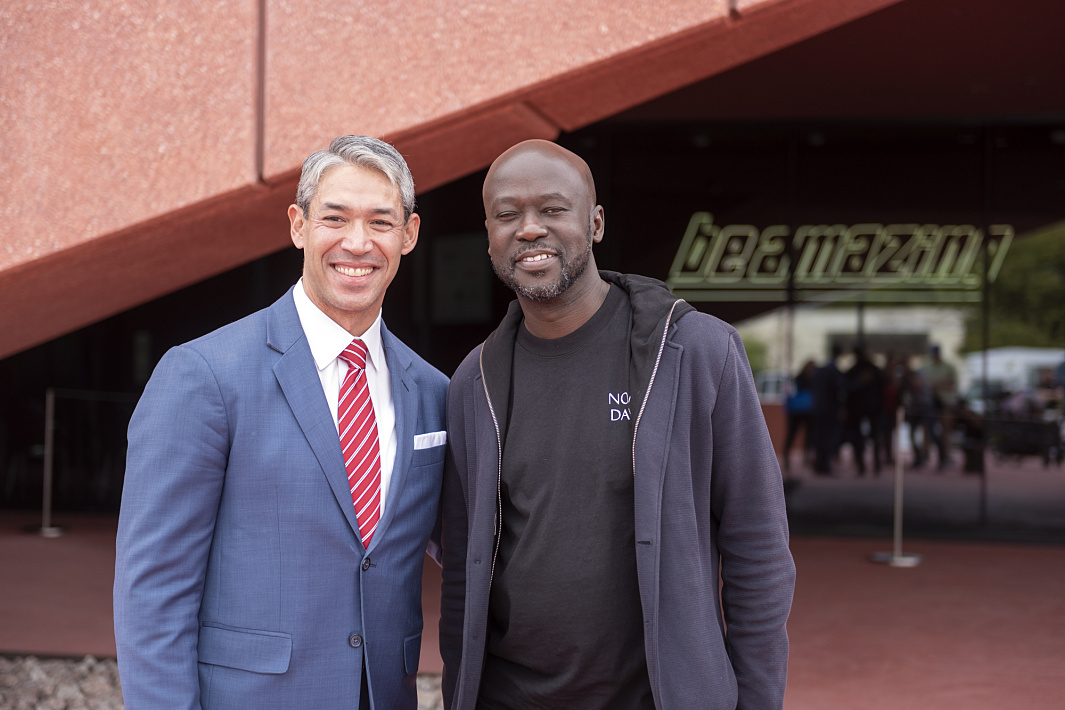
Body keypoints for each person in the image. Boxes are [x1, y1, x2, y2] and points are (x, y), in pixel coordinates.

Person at [439, 140, 795, 710]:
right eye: (508, 214)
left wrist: (756, 699)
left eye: (553, 209)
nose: (530, 229)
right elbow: (463, 568)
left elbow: (758, 548)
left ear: (595, 222)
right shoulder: (471, 382)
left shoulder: (696, 352)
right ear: (489, 235)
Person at [113, 136, 449, 709]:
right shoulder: (203, 377)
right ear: (298, 225)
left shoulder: (435, 392)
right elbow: (153, 592)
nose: (357, 243)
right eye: (334, 218)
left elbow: (472, 549)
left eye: (381, 222)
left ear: (409, 235)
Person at [844, 346, 884, 476]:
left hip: (867, 408)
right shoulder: (863, 371)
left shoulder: (862, 370)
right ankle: (868, 465)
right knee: (865, 437)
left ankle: (868, 465)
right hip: (863, 409)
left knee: (866, 437)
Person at [809, 344, 846, 475]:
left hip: (818, 408)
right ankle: (823, 465)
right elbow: (838, 390)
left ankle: (820, 464)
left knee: (820, 437)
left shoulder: (820, 370)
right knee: (828, 438)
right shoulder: (833, 371)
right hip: (829, 410)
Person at [924, 344, 958, 470]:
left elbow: (953, 384)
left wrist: (938, 385)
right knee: (927, 429)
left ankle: (947, 456)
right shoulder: (926, 366)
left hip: (944, 402)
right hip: (930, 402)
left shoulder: (948, 367)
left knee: (946, 431)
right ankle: (925, 455)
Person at [782, 359, 816, 473]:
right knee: (791, 434)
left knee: (809, 436)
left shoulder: (812, 380)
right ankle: (786, 458)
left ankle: (806, 458)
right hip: (796, 412)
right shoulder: (798, 379)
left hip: (807, 411)